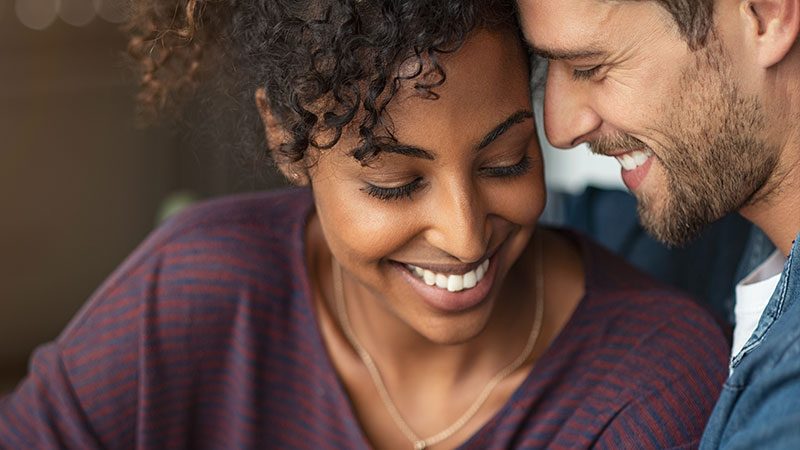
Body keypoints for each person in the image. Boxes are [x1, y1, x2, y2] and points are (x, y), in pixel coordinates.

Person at [0, 1, 728, 448]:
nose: (465, 234)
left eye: (505, 162)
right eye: (395, 183)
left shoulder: (651, 387)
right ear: (288, 141)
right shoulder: (199, 291)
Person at [516, 0, 800, 447]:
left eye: (590, 67)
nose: (559, 129)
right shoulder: (718, 233)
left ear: (766, 15)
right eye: (543, 67)